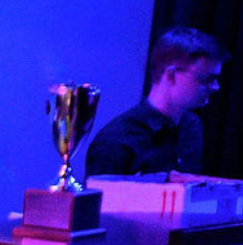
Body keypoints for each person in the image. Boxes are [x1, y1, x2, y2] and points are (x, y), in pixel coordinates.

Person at [85, 27, 227, 180]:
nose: (215, 87)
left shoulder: (190, 126)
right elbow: (102, 203)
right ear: (171, 76)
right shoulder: (115, 142)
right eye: (207, 79)